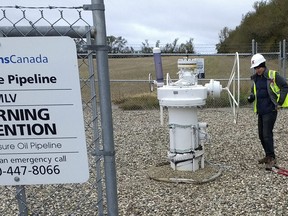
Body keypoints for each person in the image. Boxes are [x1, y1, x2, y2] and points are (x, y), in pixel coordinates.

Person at [248, 53, 288, 170]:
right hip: (260, 110)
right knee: (261, 135)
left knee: (267, 134)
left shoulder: (273, 75)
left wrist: (279, 101)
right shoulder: (256, 78)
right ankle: (268, 155)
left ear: (263, 65)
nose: (257, 70)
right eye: (255, 68)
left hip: (270, 110)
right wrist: (251, 97)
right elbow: (254, 91)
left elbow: (285, 87)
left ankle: (272, 158)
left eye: (258, 68)